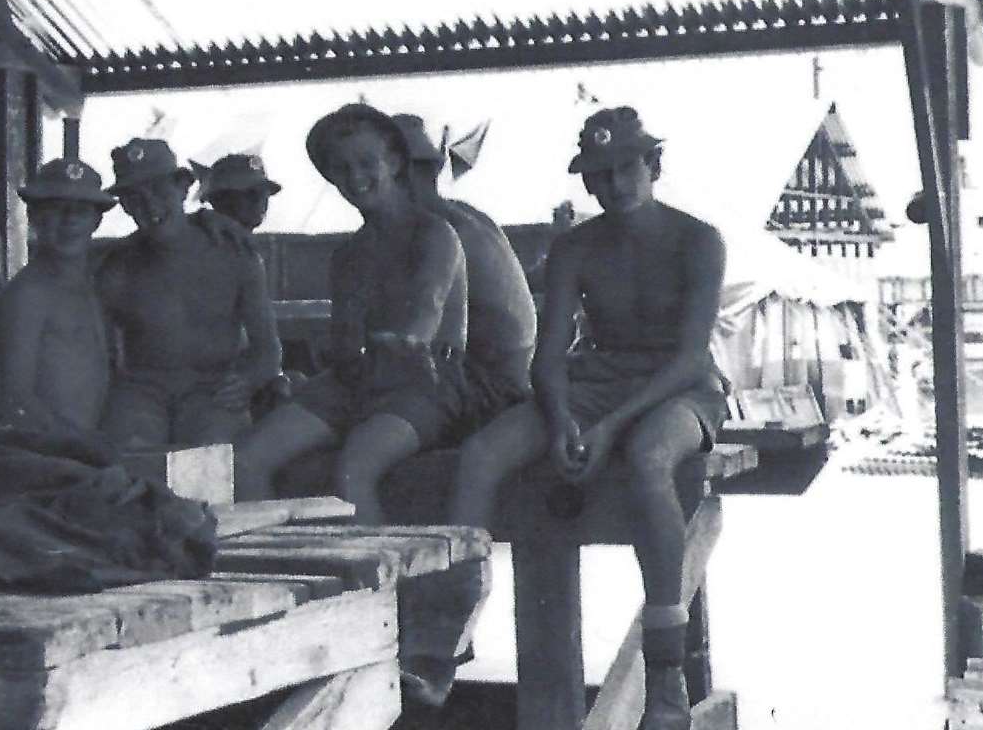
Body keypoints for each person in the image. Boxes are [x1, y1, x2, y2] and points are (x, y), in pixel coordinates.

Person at [446, 107, 729, 729]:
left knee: (650, 458)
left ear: (652, 166)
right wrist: (559, 422)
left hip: (678, 384)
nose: (614, 184)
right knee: (482, 454)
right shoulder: (576, 245)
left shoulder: (697, 238)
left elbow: (688, 355)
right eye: (599, 175)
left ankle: (666, 677)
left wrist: (608, 427)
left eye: (626, 167)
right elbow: (548, 358)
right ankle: (449, 629)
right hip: (595, 380)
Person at [232, 104, 468, 524]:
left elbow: (420, 326)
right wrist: (298, 384)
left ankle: (378, 589)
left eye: (366, 163)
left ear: (395, 162)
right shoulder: (349, 255)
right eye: (340, 169)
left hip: (428, 385)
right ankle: (285, 575)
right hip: (363, 383)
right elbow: (346, 352)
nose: (355, 177)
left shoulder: (434, 234)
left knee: (354, 469)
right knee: (247, 459)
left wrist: (383, 348)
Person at [96, 138, 281, 448]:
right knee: (133, 451)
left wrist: (248, 381)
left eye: (158, 190)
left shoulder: (235, 254)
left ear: (183, 187)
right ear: (124, 205)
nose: (149, 205)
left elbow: (268, 350)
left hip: (213, 390)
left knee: (210, 453)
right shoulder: (116, 268)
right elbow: (98, 356)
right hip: (142, 392)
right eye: (134, 198)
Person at [392, 114, 536, 435]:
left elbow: (416, 335)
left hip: (487, 388)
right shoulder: (469, 214)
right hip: (512, 377)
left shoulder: (430, 230)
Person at [0, 159, 116, 435]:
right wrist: (77, 447)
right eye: (56, 209)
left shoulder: (92, 282)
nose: (70, 220)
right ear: (34, 216)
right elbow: (16, 398)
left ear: (97, 221)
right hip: (53, 455)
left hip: (88, 448)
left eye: (82, 210)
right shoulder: (28, 295)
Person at [193, 153, 281, 240]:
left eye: (264, 193)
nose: (260, 200)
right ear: (221, 199)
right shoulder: (195, 242)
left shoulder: (263, 249)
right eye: (251, 192)